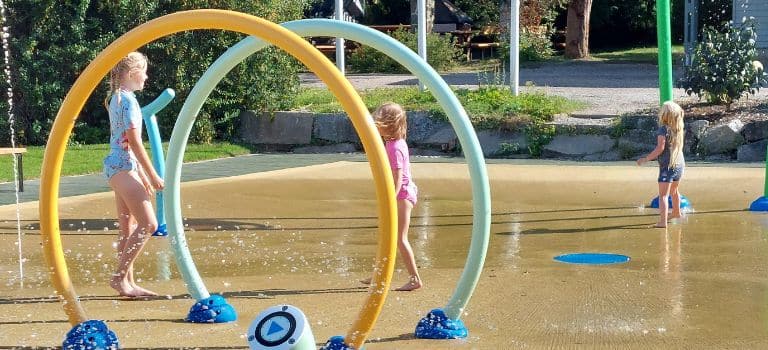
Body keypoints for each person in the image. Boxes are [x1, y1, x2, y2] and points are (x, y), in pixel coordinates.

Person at [103, 51, 164, 297]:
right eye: (144, 72)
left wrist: (139, 171)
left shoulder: (117, 97)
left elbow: (122, 141)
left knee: (128, 228)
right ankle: (119, 277)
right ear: (131, 74)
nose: (147, 77)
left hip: (118, 166)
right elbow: (134, 141)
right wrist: (151, 175)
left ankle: (128, 283)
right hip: (123, 167)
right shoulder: (127, 101)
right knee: (149, 224)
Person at [368, 102, 423, 291]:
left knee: (400, 238)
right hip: (401, 194)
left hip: (402, 196)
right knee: (387, 236)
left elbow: (398, 176)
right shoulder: (393, 142)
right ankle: (379, 274)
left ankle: (415, 278)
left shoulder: (394, 147)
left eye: (378, 123)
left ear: (388, 125)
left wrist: (390, 198)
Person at [637, 101, 685, 228]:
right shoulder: (678, 128)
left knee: (663, 196)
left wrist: (645, 159)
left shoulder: (663, 129)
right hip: (679, 164)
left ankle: (662, 222)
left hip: (668, 166)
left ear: (664, 115)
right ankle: (676, 212)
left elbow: (660, 148)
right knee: (674, 191)